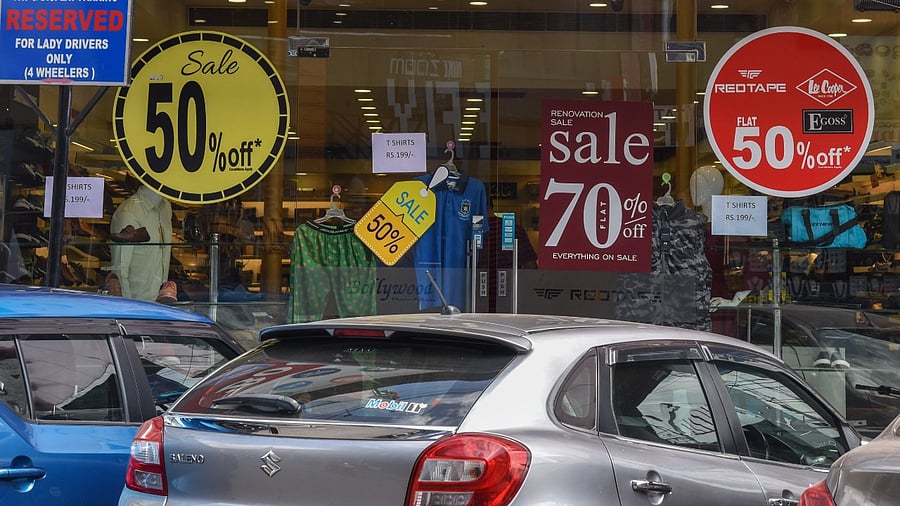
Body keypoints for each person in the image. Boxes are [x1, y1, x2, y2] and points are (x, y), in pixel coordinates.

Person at [108, 185, 173, 302]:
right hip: (137, 303)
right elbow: (120, 269)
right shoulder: (128, 213)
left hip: (160, 302)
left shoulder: (166, 208)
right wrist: (127, 307)